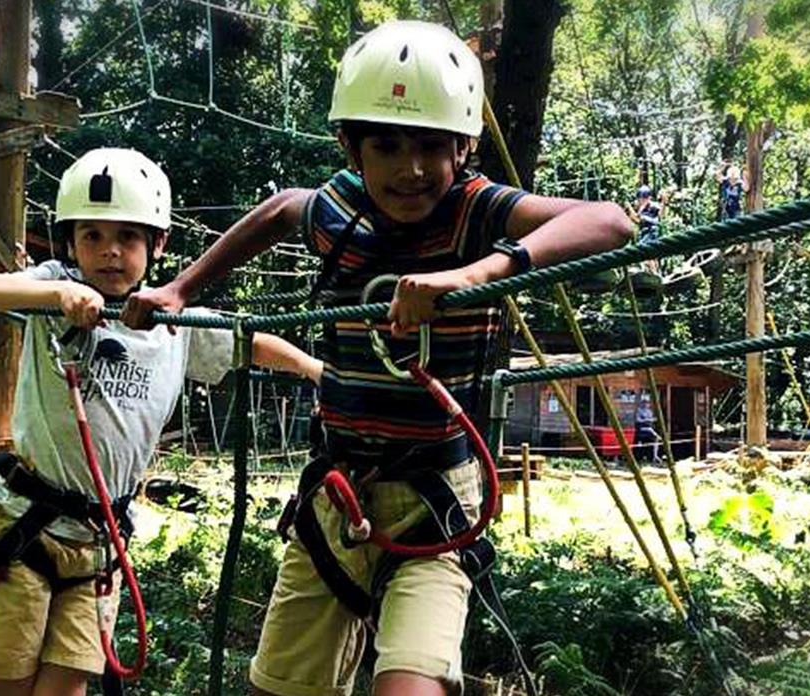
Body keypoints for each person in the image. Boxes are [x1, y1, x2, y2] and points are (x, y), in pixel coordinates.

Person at [124, 20, 633, 696]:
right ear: (350, 146)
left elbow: (611, 221)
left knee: (410, 687)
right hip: (338, 495)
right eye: (386, 145)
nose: (410, 168)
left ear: (464, 148)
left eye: (430, 146)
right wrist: (180, 287)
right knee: (281, 687)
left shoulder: (474, 210)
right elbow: (279, 210)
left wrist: (475, 275)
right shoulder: (339, 211)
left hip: (436, 499)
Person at [0, 148, 321, 696]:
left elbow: (249, 343)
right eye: (91, 235)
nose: (109, 250)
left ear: (157, 245)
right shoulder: (55, 290)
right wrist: (56, 293)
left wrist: (310, 367)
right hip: (24, 523)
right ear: (71, 243)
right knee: (12, 684)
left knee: (69, 684)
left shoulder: (175, 322)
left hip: (100, 539)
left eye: (128, 237)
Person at [634, 396, 661, 462]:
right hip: (641, 429)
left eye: (647, 403)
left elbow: (652, 420)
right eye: (644, 403)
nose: (646, 404)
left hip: (649, 428)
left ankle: (655, 456)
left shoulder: (650, 411)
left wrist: (652, 420)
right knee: (650, 430)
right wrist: (647, 420)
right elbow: (638, 420)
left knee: (655, 439)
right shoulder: (639, 411)